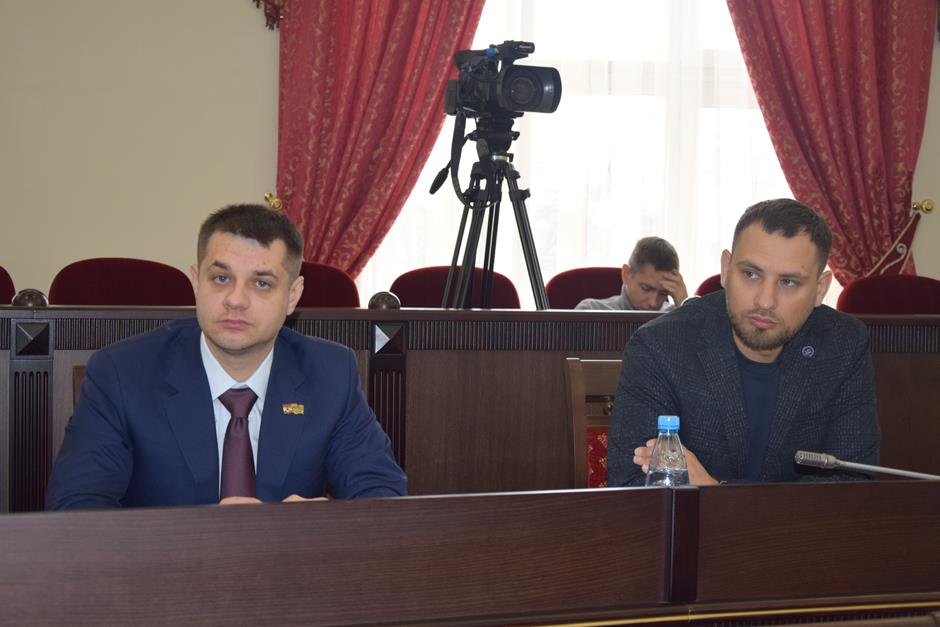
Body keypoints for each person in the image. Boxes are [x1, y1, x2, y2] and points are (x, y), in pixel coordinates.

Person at [46, 204, 407, 509]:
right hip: (166, 570)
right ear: (196, 282)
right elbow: (76, 509)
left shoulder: (330, 374)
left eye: (261, 283)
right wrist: (207, 538)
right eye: (220, 279)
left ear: (292, 297)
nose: (236, 299)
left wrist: (313, 528)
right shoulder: (122, 374)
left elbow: (383, 498)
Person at [608, 199, 880, 486]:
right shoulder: (661, 345)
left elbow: (853, 484)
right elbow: (631, 485)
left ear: (820, 289)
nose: (765, 300)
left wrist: (714, 493)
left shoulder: (843, 344)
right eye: (750, 274)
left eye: (788, 282)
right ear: (726, 270)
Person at [575, 236, 688, 311]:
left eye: (663, 293)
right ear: (626, 274)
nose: (653, 303)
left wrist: (686, 308)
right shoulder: (590, 311)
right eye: (646, 288)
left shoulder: (676, 317)